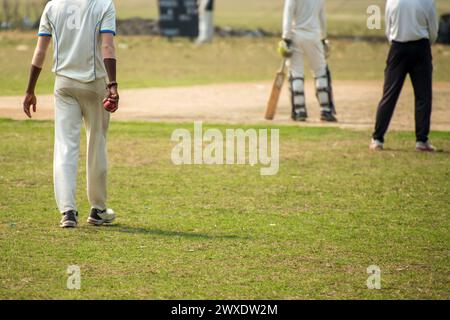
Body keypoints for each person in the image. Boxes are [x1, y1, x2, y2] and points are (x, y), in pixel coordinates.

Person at [22, 0, 120, 228]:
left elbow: (40, 50)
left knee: (65, 146)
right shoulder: (103, 4)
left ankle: (68, 212)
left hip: (64, 84)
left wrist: (30, 89)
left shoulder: (52, 6)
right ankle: (98, 209)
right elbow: (107, 46)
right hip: (95, 83)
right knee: (96, 143)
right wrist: (112, 84)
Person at [371, 0, 439, 151]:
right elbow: (433, 29)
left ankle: (377, 139)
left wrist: (396, 42)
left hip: (397, 48)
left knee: (389, 94)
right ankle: (421, 140)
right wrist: (426, 45)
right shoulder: (427, 1)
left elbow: (388, 29)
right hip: (420, 47)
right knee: (423, 95)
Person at [279, 0, 337, 122]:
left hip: (296, 36)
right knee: (320, 72)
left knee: (296, 73)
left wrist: (286, 37)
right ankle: (326, 110)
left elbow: (288, 14)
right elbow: (322, 17)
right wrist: (323, 37)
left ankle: (299, 111)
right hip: (315, 36)